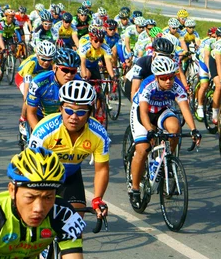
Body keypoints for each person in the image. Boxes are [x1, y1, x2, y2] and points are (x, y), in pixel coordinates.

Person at [128, 56, 201, 209]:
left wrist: (194, 129)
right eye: (164, 78)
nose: (168, 81)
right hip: (143, 113)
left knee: (175, 129)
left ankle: (166, 159)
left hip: (161, 110)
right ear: (156, 77)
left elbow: (185, 109)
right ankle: (134, 189)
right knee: (142, 149)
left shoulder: (177, 86)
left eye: (171, 77)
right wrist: (150, 130)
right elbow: (142, 113)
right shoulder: (148, 85)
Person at [29, 81, 110, 215]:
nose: (73, 117)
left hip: (71, 176)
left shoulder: (99, 134)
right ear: (60, 109)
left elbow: (102, 169)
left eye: (81, 112)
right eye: (68, 110)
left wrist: (97, 199)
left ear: (90, 113)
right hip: (42, 177)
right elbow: (30, 168)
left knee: (76, 221)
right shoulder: (44, 131)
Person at [26, 47, 82, 131]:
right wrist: (38, 134)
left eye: (73, 71)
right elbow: (31, 113)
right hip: (40, 118)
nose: (69, 75)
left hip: (63, 120)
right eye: (65, 70)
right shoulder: (39, 82)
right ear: (54, 68)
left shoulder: (79, 83)